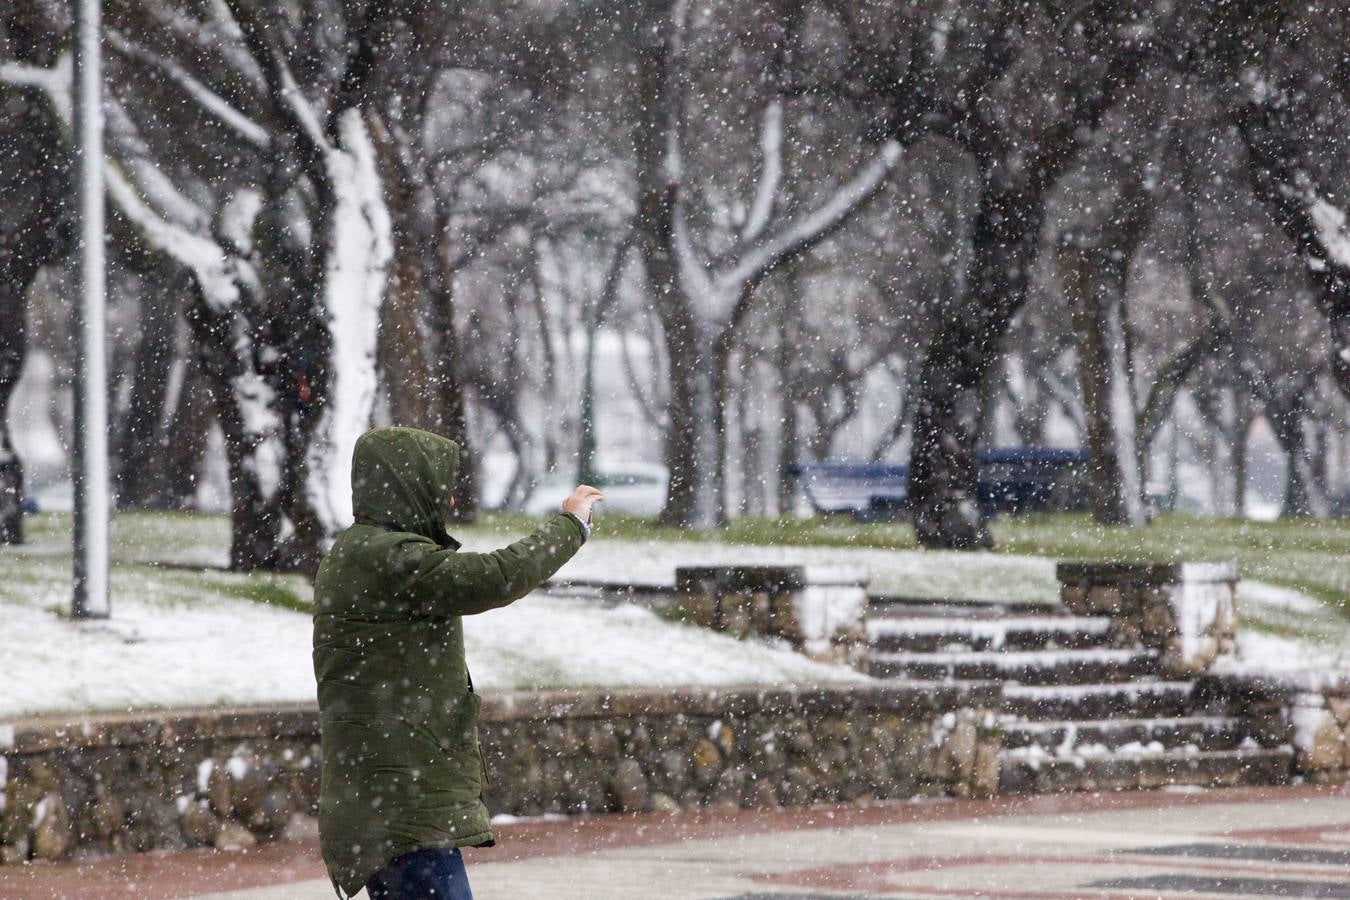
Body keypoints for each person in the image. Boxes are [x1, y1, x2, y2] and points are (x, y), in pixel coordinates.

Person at [312, 426, 602, 899]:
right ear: (407, 488)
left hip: (389, 798)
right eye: (438, 490)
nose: (447, 505)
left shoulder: (360, 553)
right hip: (405, 804)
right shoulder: (388, 558)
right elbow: (492, 578)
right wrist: (572, 525)